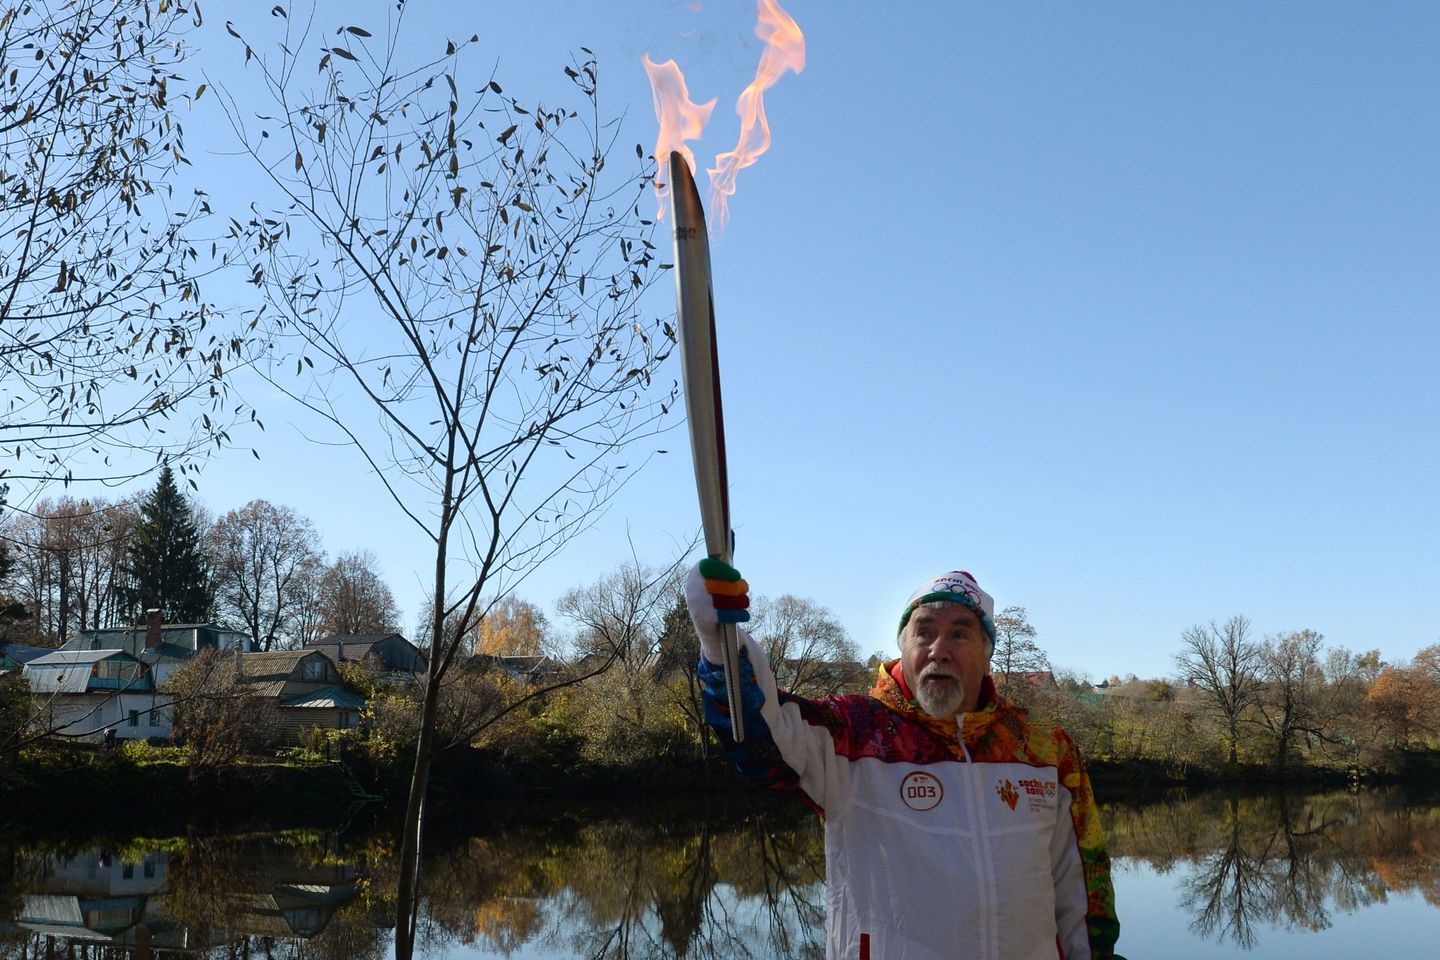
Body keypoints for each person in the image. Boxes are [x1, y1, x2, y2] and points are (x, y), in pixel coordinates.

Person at [686, 561, 1122, 960]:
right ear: (904, 645)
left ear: (986, 651)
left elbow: (1083, 893)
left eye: (960, 633)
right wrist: (720, 642)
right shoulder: (852, 734)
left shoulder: (1045, 749)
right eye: (924, 631)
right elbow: (760, 740)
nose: (939, 649)